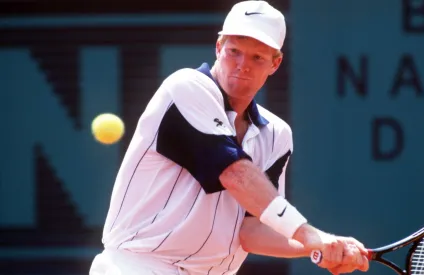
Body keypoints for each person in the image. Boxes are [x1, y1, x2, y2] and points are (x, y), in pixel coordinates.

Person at [89, 1, 370, 274]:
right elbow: (235, 175)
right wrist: (308, 234)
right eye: (234, 51)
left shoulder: (276, 134)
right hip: (137, 266)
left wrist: (321, 245)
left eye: (257, 57)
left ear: (275, 63)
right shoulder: (185, 87)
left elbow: (252, 231)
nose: (242, 65)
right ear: (218, 47)